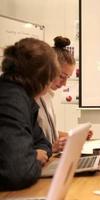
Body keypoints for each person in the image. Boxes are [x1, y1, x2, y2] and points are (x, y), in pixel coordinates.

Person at [0, 38, 60, 190]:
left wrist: (36, 154)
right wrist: (35, 156)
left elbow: (43, 143)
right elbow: (19, 173)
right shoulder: (12, 100)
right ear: (42, 77)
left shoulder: (23, 97)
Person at [36, 36, 92, 153]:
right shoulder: (32, 99)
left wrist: (74, 137)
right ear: (48, 70)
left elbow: (50, 134)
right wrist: (52, 148)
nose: (64, 83)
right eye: (62, 76)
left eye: (67, 78)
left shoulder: (47, 95)